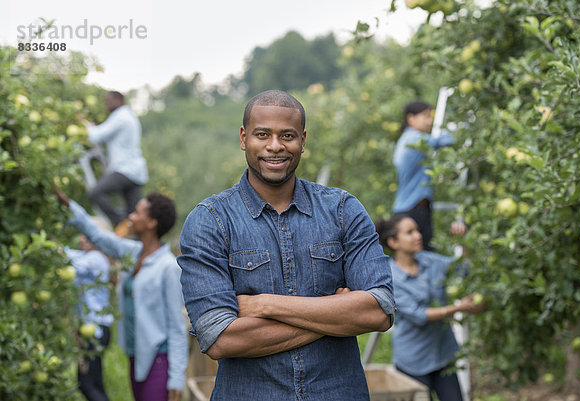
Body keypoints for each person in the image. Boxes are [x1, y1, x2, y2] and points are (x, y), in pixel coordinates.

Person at [177, 90, 395, 400]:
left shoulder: (343, 210)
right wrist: (336, 316)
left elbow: (378, 311)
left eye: (287, 135)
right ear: (243, 137)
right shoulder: (210, 221)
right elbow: (220, 339)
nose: (275, 146)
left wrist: (265, 305)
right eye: (262, 134)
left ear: (303, 141)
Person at [55, 189, 188, 401]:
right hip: (135, 356)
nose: (131, 217)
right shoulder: (132, 253)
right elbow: (97, 235)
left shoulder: (167, 268)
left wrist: (176, 379)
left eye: (137, 213)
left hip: (158, 359)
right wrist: (69, 204)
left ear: (152, 222)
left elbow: (177, 328)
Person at [375, 213, 485, 401]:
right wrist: (459, 308)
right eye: (409, 232)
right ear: (393, 242)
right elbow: (419, 315)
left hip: (442, 354)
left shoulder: (428, 260)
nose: (418, 235)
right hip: (413, 360)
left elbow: (462, 269)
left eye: (417, 230)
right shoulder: (391, 278)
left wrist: (463, 243)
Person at [392, 100, 455, 251]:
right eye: (425, 116)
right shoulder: (414, 139)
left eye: (430, 116)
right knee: (422, 256)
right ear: (410, 118)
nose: (430, 121)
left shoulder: (405, 139)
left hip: (406, 208)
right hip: (414, 209)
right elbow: (445, 140)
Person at [64, 218, 114, 401]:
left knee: (86, 384)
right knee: (95, 382)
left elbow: (73, 263)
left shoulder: (97, 258)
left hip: (94, 330)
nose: (82, 238)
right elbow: (72, 255)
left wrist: (52, 252)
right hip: (94, 329)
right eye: (82, 233)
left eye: (88, 235)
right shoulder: (89, 255)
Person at [86, 91, 148, 230]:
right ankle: (128, 231)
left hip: (125, 170)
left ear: (119, 100)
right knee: (134, 218)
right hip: (135, 172)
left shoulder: (120, 117)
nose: (106, 104)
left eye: (109, 100)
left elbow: (96, 136)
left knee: (95, 192)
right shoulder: (129, 116)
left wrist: (85, 125)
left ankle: (119, 222)